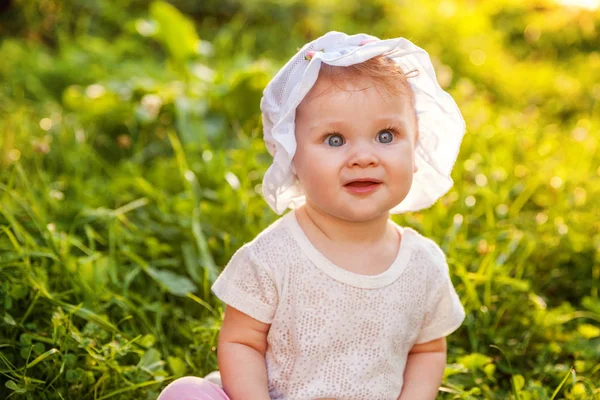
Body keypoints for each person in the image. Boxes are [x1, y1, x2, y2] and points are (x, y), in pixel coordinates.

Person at [158, 30, 466, 400]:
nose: (364, 156)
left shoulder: (423, 266)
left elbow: (427, 349)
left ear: (416, 147)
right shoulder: (273, 257)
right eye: (335, 140)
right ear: (292, 157)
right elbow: (241, 342)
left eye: (386, 135)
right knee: (187, 394)